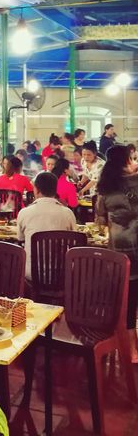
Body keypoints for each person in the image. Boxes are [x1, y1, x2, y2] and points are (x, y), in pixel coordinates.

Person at [95, 145, 138, 361]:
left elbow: (100, 220)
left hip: (120, 252)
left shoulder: (105, 185)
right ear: (127, 161)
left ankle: (131, 349)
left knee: (127, 300)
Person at [16, 172, 77, 279]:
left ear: (36, 190)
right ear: (55, 190)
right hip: (61, 275)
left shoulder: (24, 213)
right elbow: (74, 242)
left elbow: (20, 239)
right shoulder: (68, 213)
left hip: (31, 274)